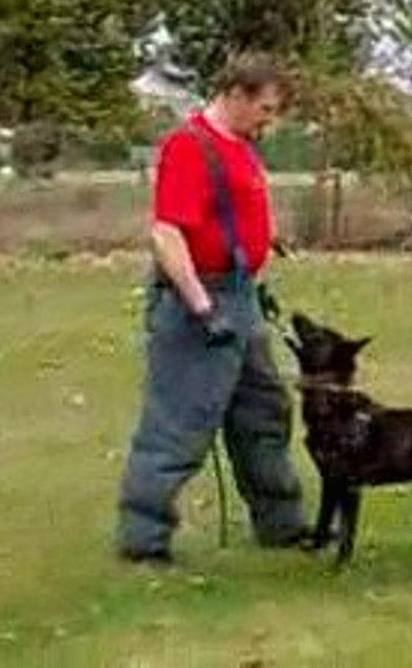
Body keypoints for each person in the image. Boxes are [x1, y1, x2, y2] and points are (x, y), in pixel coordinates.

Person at [116, 53, 306, 565]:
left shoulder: (240, 146)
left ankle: (283, 526)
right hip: (200, 302)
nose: (270, 120)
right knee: (178, 424)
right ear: (237, 95)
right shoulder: (190, 146)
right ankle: (143, 541)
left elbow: (231, 210)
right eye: (265, 109)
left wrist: (268, 239)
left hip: (242, 297)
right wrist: (202, 308)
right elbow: (167, 233)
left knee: (264, 414)